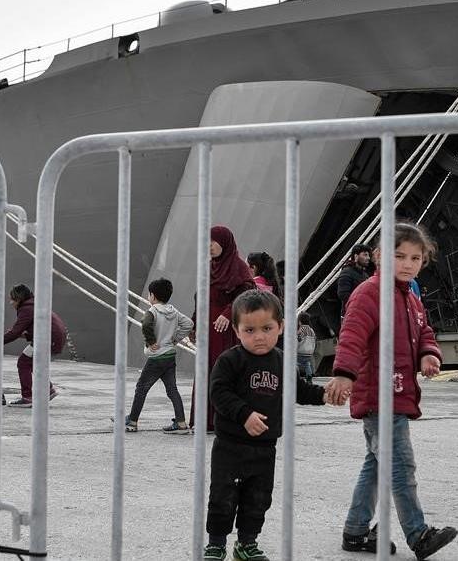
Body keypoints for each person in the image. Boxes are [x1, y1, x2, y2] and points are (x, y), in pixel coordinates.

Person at [325, 222, 458, 560]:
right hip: (379, 396)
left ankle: (355, 532)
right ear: (379, 255)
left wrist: (429, 354)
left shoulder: (410, 297)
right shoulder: (370, 293)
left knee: (376, 465)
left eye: (416, 257)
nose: (408, 263)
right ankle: (419, 535)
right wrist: (343, 374)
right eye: (398, 256)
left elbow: (423, 331)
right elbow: (352, 334)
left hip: (396, 392)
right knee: (400, 465)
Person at [202, 290, 327, 561]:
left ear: (280, 327)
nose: (259, 336)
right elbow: (218, 393)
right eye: (249, 330)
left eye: (267, 328)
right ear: (236, 330)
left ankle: (247, 544)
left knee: (257, 500)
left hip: (264, 447)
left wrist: (324, 394)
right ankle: (216, 543)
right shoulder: (230, 360)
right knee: (223, 498)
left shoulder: (283, 361)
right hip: (230, 447)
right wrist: (244, 414)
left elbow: (299, 391)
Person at [190, 225, 256, 430]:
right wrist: (194, 325)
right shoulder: (209, 267)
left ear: (224, 242)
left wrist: (228, 313)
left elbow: (246, 295)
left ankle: (226, 418)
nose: (208, 246)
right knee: (205, 371)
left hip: (225, 332)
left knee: (223, 371)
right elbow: (200, 297)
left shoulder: (238, 267)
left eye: (213, 241)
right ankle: (205, 420)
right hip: (207, 328)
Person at [126, 278, 193, 434]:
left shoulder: (152, 311)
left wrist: (151, 341)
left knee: (141, 388)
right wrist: (176, 338)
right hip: (170, 357)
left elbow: (146, 324)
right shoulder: (173, 311)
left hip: (156, 358)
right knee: (172, 390)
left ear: (152, 296)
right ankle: (181, 423)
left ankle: (132, 421)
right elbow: (189, 323)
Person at [3, 284, 63, 407]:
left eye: (12, 299)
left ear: (19, 299)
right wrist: (24, 335)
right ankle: (48, 390)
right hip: (50, 338)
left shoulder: (26, 308)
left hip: (46, 339)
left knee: (23, 363)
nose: (10, 303)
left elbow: (15, 332)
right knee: (33, 363)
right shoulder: (33, 305)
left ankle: (27, 397)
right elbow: (35, 327)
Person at [337, 243, 374, 316]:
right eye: (365, 255)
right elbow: (343, 294)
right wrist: (360, 304)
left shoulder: (364, 274)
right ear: (356, 256)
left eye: (368, 255)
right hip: (351, 314)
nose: (368, 258)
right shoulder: (347, 272)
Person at [296, 312, 316, 383]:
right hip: (309, 353)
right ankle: (309, 377)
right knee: (307, 364)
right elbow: (314, 340)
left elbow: (298, 339)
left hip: (301, 351)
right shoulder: (311, 330)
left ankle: (296, 377)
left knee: (295, 363)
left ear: (300, 321)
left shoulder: (302, 329)